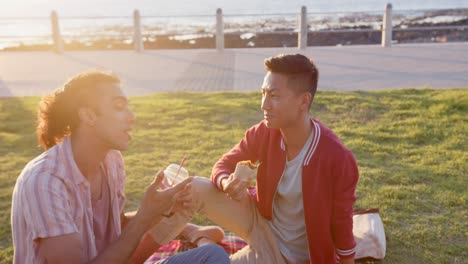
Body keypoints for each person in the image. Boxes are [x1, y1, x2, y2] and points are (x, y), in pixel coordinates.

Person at [10, 70, 229, 264]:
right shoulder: (44, 182)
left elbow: (116, 223)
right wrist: (144, 218)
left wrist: (160, 210)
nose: (132, 117)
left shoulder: (111, 160)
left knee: (212, 256)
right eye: (118, 106)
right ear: (88, 115)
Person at [185, 53, 359, 263]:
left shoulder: (337, 158)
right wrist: (226, 182)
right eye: (263, 93)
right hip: (260, 223)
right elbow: (224, 164)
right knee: (191, 187)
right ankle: (136, 249)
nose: (264, 105)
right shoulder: (265, 132)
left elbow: (342, 222)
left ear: (304, 101)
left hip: (287, 256)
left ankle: (203, 238)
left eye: (274, 96)